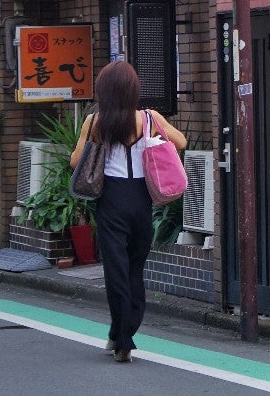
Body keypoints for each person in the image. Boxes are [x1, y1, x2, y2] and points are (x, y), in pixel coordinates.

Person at [70, 60, 187, 363]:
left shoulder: (95, 122)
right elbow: (181, 142)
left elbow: (75, 162)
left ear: (104, 91)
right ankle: (125, 331)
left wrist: (93, 142)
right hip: (141, 200)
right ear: (134, 90)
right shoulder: (149, 118)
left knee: (116, 271)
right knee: (135, 269)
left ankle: (122, 338)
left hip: (111, 199)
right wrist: (155, 141)